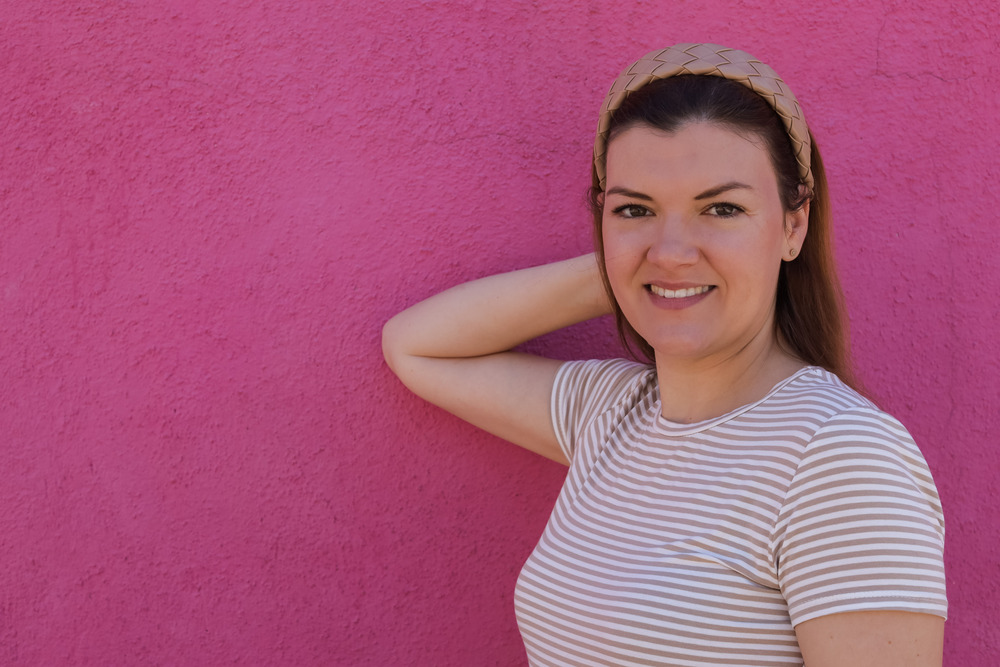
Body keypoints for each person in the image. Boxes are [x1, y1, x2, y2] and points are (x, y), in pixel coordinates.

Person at [382, 44, 947, 666]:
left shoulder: (840, 458)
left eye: (722, 209)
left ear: (793, 226)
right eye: (635, 208)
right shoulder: (611, 413)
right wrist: (631, 266)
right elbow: (418, 346)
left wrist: (655, 262)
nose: (673, 248)